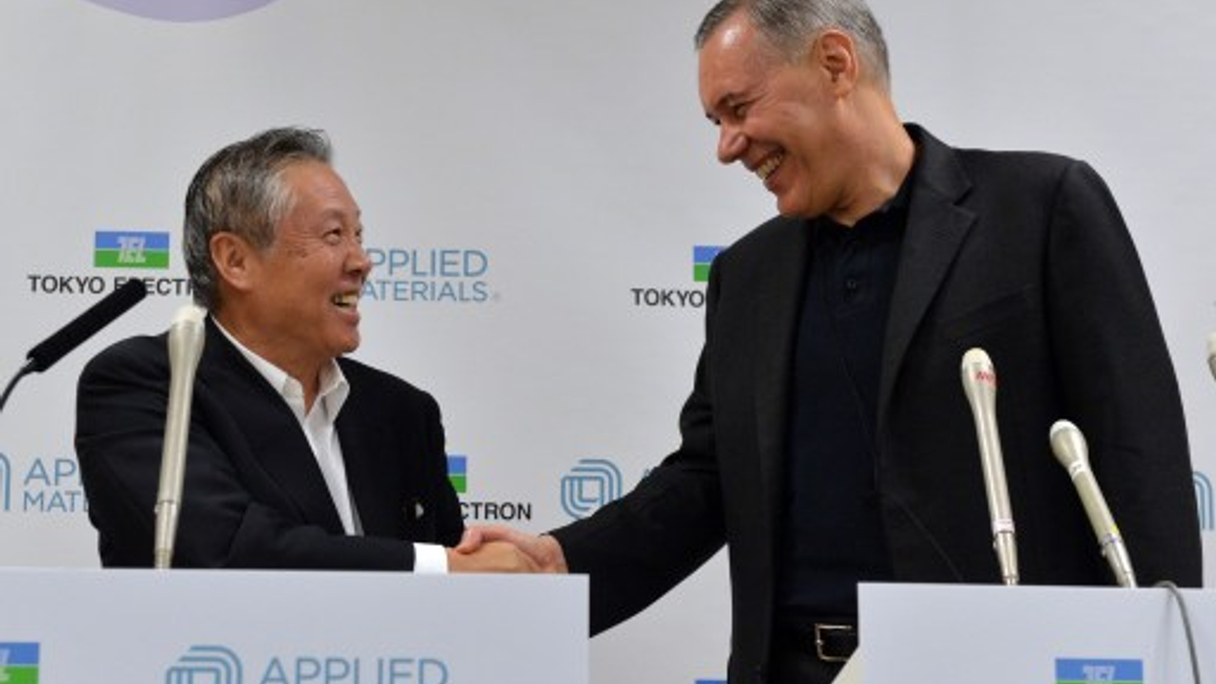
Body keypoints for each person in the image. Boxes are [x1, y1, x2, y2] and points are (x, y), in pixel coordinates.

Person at [462, 1, 1203, 682]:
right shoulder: (745, 277)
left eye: (738, 108)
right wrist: (561, 563)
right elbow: (706, 481)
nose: (726, 147)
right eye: (715, 121)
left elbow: (1135, 453)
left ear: (835, 64)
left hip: (994, 665)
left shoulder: (1040, 210)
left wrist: (1168, 650)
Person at [76, 127, 532, 574]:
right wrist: (443, 566)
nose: (362, 261)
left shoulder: (402, 413)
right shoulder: (152, 386)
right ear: (236, 261)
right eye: (334, 235)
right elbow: (224, 549)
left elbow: (460, 607)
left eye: (359, 235)